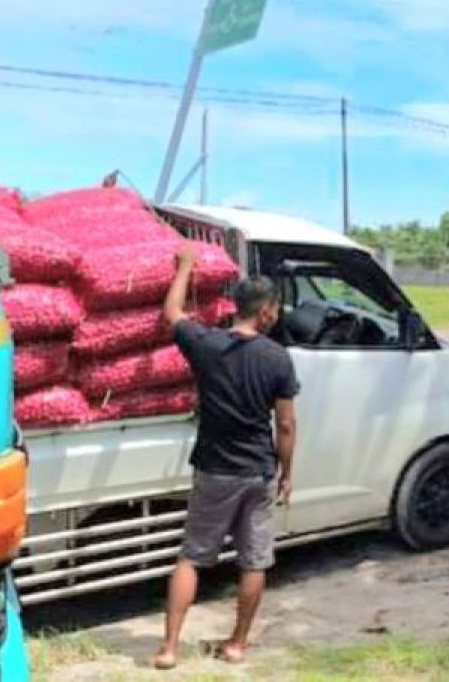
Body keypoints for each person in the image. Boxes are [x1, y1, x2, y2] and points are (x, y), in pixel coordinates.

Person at [153, 246, 299, 669]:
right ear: (267, 311)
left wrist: (182, 267)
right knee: (254, 561)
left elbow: (173, 312)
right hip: (257, 472)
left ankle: (169, 649)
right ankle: (236, 645)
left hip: (214, 468)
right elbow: (286, 426)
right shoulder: (277, 358)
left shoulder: (207, 344)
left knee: (192, 556)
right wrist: (287, 474)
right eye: (275, 309)